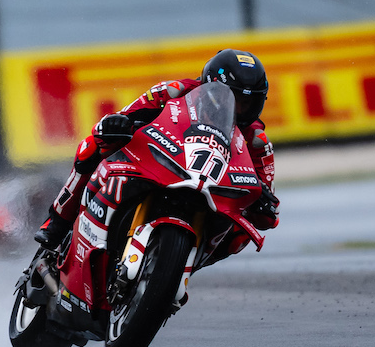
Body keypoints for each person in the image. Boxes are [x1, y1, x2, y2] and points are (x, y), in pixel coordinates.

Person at [34, 49, 280, 258]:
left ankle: (181, 265)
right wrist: (117, 124)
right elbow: (119, 119)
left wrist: (264, 205)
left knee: (240, 234)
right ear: (211, 87)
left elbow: (268, 206)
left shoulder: (257, 140)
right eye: (233, 99)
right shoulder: (174, 91)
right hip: (159, 164)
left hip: (209, 193)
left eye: (247, 104)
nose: (238, 109)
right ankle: (57, 221)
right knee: (91, 145)